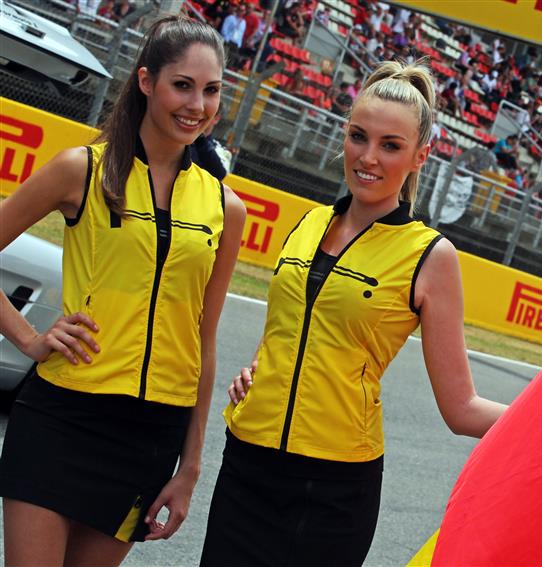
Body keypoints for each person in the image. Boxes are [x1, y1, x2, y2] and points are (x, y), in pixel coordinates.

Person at [199, 59, 508, 566]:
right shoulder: (307, 222)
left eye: (391, 146)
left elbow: (462, 408)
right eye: (358, 137)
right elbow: (290, 326)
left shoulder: (431, 256)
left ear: (420, 156)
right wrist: (261, 369)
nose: (368, 157)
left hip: (332, 488)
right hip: (246, 462)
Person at [0, 16, 246, 567]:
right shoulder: (80, 170)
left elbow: (203, 341)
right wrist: (29, 338)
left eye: (211, 90)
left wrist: (190, 467)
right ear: (145, 82)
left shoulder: (226, 209)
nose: (198, 105)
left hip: (149, 436)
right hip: (61, 417)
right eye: (182, 85)